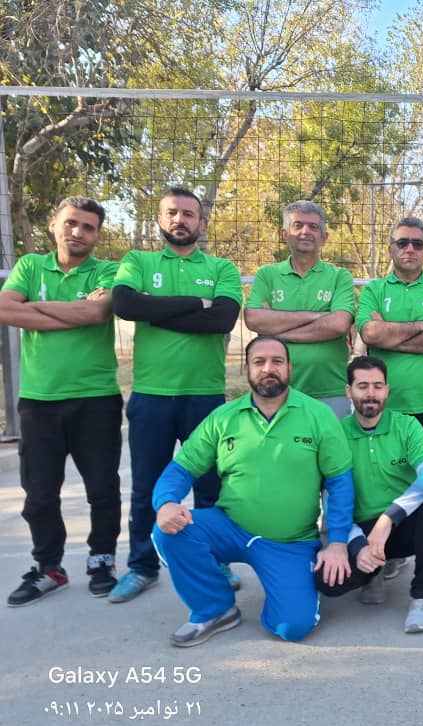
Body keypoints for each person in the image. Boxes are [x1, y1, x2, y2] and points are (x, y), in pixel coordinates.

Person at [151, 336, 354, 646]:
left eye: (277, 361)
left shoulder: (318, 415)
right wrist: (166, 502)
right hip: (230, 527)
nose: (268, 369)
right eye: (259, 362)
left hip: (290, 541)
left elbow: (339, 483)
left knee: (292, 626)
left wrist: (337, 542)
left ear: (290, 368)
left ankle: (287, 592)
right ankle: (215, 609)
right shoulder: (224, 417)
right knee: (170, 530)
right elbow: (181, 469)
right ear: (246, 369)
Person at [109, 187, 243, 602]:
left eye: (188, 214)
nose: (180, 220)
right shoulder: (138, 261)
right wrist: (194, 303)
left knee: (210, 486)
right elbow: (126, 305)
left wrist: (157, 310)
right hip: (151, 396)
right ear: (160, 220)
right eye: (172, 213)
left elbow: (222, 320)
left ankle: (214, 560)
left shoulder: (222, 267)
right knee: (147, 487)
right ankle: (142, 567)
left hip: (205, 396)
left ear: (201, 222)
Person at [1, 197, 123, 605]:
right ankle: (48, 567)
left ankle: (102, 560)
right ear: (54, 224)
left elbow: (97, 314)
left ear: (98, 235)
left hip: (96, 399)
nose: (78, 232)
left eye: (88, 227)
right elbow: (4, 309)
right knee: (39, 494)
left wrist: (32, 308)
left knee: (102, 489)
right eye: (71, 223)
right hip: (39, 400)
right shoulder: (30, 266)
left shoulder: (108, 271)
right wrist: (72, 310)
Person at [356, 217, 423, 574]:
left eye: (418, 243)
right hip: (388, 407)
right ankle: (391, 547)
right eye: (402, 242)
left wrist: (391, 333)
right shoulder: (374, 289)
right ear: (391, 247)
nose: (410, 249)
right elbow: (370, 333)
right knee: (390, 480)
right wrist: (421, 328)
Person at [315, 356, 423, 633]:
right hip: (361, 529)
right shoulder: (335, 435)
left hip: (401, 523)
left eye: (378, 386)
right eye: (362, 386)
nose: (371, 394)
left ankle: (422, 597)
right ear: (348, 391)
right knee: (327, 583)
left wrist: (388, 518)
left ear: (387, 390)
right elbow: (331, 501)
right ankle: (373, 568)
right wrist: (357, 546)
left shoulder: (407, 426)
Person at [244, 200, 356, 417]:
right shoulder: (267, 274)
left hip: (331, 390)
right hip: (276, 390)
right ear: (285, 234)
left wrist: (274, 330)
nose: (305, 232)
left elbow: (338, 324)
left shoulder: (339, 276)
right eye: (298, 225)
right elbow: (254, 319)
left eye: (313, 227)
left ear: (324, 237)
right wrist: (320, 316)